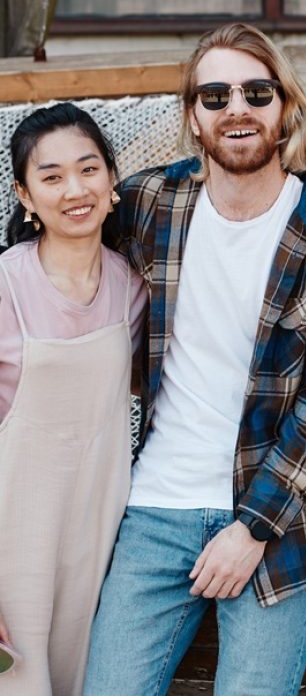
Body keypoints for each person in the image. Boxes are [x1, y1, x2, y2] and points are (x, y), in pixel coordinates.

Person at [83, 23, 306, 696]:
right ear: (193, 115)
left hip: (283, 519)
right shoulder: (149, 203)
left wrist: (252, 528)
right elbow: (60, 230)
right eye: (215, 95)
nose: (236, 109)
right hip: (156, 508)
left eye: (256, 91)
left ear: (286, 106)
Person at [0, 103, 147, 696]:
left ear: (112, 179)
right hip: (12, 551)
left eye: (88, 170)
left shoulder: (133, 289)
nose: (74, 190)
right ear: (26, 196)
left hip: (94, 548)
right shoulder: (6, 285)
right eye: (52, 177)